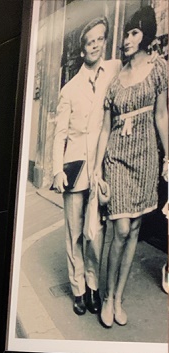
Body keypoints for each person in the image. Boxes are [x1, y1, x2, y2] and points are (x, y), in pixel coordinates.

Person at [93, 5, 168, 328]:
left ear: (145, 35)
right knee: (121, 229)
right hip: (118, 158)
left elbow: (161, 116)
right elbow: (104, 129)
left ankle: (118, 298)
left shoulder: (159, 69)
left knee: (135, 229)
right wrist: (98, 167)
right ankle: (107, 296)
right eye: (125, 33)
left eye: (134, 32)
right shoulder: (115, 81)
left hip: (147, 157)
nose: (127, 39)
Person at [52, 16, 121, 316]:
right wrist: (57, 170)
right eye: (89, 42)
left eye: (99, 40)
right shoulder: (69, 89)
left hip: (102, 167)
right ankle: (78, 289)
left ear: (105, 42)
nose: (94, 46)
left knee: (97, 232)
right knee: (75, 233)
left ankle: (93, 286)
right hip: (75, 168)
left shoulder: (114, 70)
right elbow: (60, 134)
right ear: (82, 49)